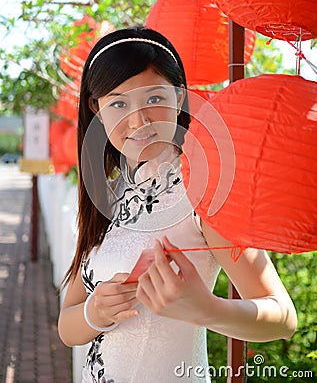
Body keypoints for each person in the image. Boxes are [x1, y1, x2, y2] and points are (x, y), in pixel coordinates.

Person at [58, 26, 297, 383]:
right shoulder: (107, 196)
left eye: (154, 100)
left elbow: (283, 318)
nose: (137, 121)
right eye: (118, 102)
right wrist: (95, 311)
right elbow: (67, 327)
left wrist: (206, 309)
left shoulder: (205, 194)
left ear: (180, 97)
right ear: (97, 110)